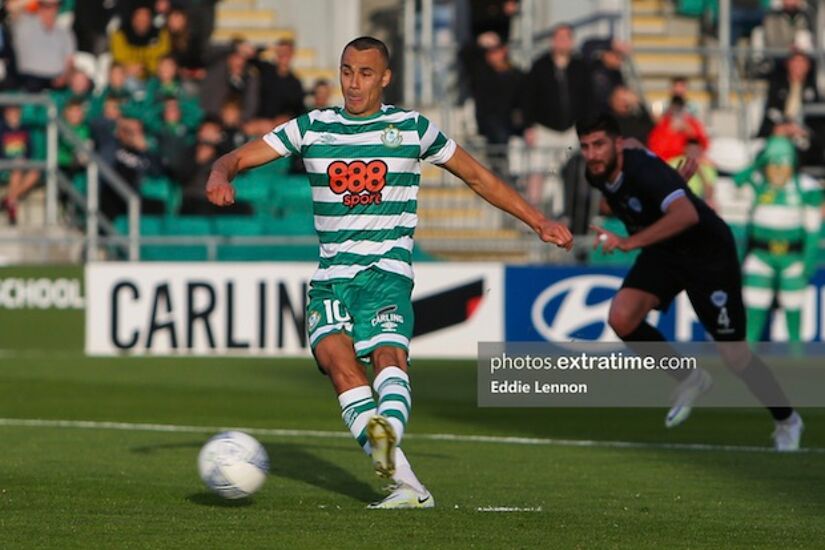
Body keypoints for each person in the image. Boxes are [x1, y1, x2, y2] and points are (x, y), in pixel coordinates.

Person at [205, 36, 573, 508]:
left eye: (364, 73)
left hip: (385, 271)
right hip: (330, 277)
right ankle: (409, 485)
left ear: (385, 78)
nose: (352, 83)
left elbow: (479, 176)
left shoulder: (412, 128)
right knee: (339, 366)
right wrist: (220, 174)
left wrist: (538, 221)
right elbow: (236, 156)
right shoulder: (312, 127)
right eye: (345, 71)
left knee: (386, 358)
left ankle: (387, 438)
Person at [577, 113, 803, 451]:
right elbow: (641, 154)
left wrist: (628, 240)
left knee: (736, 356)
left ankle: (787, 419)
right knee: (622, 317)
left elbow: (687, 215)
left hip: (707, 254)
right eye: (585, 147)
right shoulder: (598, 173)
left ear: (617, 143)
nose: (592, 154)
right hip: (665, 250)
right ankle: (690, 377)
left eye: (599, 144)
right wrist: (670, 183)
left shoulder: (642, 170)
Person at [735, 136, 822, 344]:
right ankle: (747, 363)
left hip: (791, 257)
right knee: (754, 310)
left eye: (782, 162)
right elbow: (737, 181)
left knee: (793, 311)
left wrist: (807, 263)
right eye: (773, 163)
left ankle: (796, 362)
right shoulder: (759, 182)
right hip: (760, 256)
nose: (778, 169)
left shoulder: (805, 187)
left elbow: (813, 229)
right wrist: (759, 161)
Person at [9, 0, 75, 92]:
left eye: (55, 5)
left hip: (56, 81)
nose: (51, 9)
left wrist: (65, 77)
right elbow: (11, 8)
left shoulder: (65, 32)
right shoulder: (24, 23)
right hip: (29, 79)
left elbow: (70, 61)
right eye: (46, 5)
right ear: (39, 6)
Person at [0, 105, 39, 224]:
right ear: (5, 114)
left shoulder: (25, 129)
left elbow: (30, 150)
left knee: (35, 173)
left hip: (22, 163)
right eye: (10, 113)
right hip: (5, 165)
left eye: (16, 112)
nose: (13, 116)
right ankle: (12, 207)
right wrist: (9, 160)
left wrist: (24, 160)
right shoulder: (1, 129)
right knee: (17, 172)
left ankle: (9, 199)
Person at [257, 38, 306, 121]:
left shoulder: (295, 83)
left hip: (281, 127)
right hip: (261, 123)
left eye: (286, 52)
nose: (283, 55)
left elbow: (298, 110)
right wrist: (266, 47)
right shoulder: (266, 70)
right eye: (280, 51)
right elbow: (250, 57)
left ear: (291, 55)